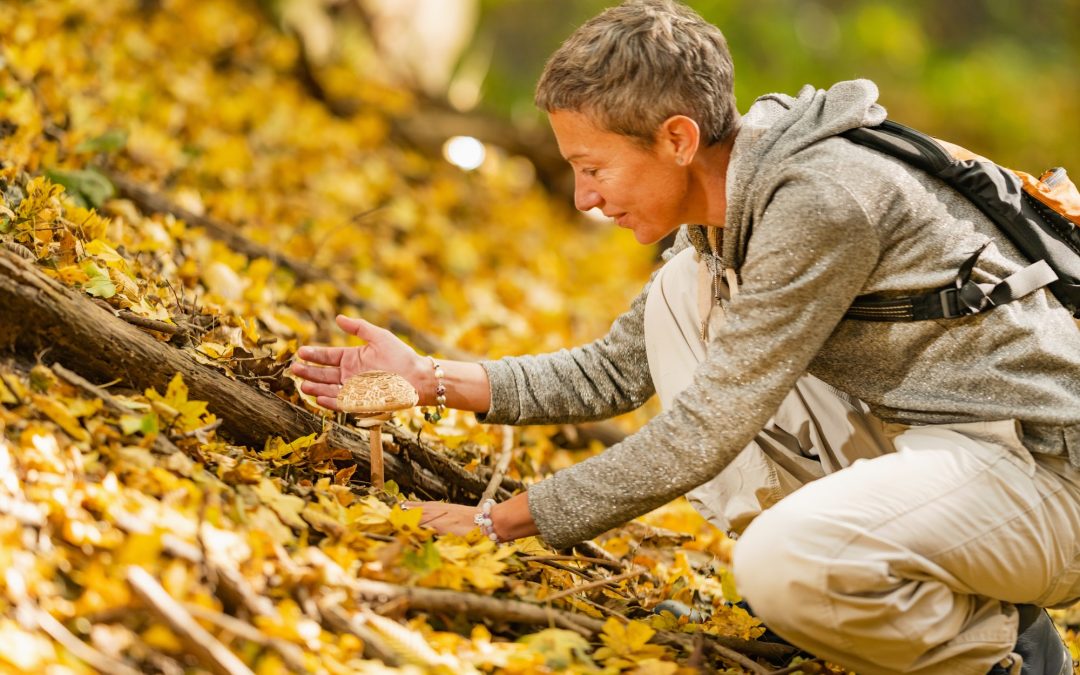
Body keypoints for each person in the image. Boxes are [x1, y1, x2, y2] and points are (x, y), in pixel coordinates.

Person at [291, 1, 1080, 673]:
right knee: (681, 299)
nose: (582, 197)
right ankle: (843, 600)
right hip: (949, 446)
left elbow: (704, 430)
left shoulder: (818, 203)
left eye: (593, 167)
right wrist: (429, 378)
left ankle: (1004, 649)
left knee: (781, 563)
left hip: (1048, 472)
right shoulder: (729, 213)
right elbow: (615, 370)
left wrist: (500, 522)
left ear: (676, 138)